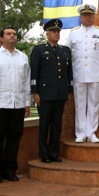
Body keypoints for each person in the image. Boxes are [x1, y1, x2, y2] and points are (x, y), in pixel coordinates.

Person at [0, 27, 31, 183]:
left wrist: (27, 103)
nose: (12, 36)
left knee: (14, 139)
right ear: (1, 39)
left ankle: (10, 170)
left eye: (14, 34)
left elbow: (26, 81)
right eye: (8, 34)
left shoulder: (23, 57)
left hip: (17, 104)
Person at [30, 18, 73, 163]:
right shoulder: (39, 50)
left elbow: (69, 73)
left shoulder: (65, 51)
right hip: (45, 94)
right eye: (53, 31)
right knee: (44, 125)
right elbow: (34, 73)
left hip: (60, 93)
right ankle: (44, 153)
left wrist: (69, 90)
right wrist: (35, 92)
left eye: (58, 31)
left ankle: (54, 153)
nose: (56, 34)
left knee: (56, 125)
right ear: (47, 34)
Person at [67, 4, 99, 143]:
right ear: (80, 17)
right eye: (85, 15)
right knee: (80, 104)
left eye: (90, 15)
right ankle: (80, 133)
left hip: (95, 73)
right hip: (78, 73)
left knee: (93, 103)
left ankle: (91, 133)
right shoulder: (73, 33)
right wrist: (69, 75)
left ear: (93, 17)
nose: (87, 18)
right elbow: (67, 54)